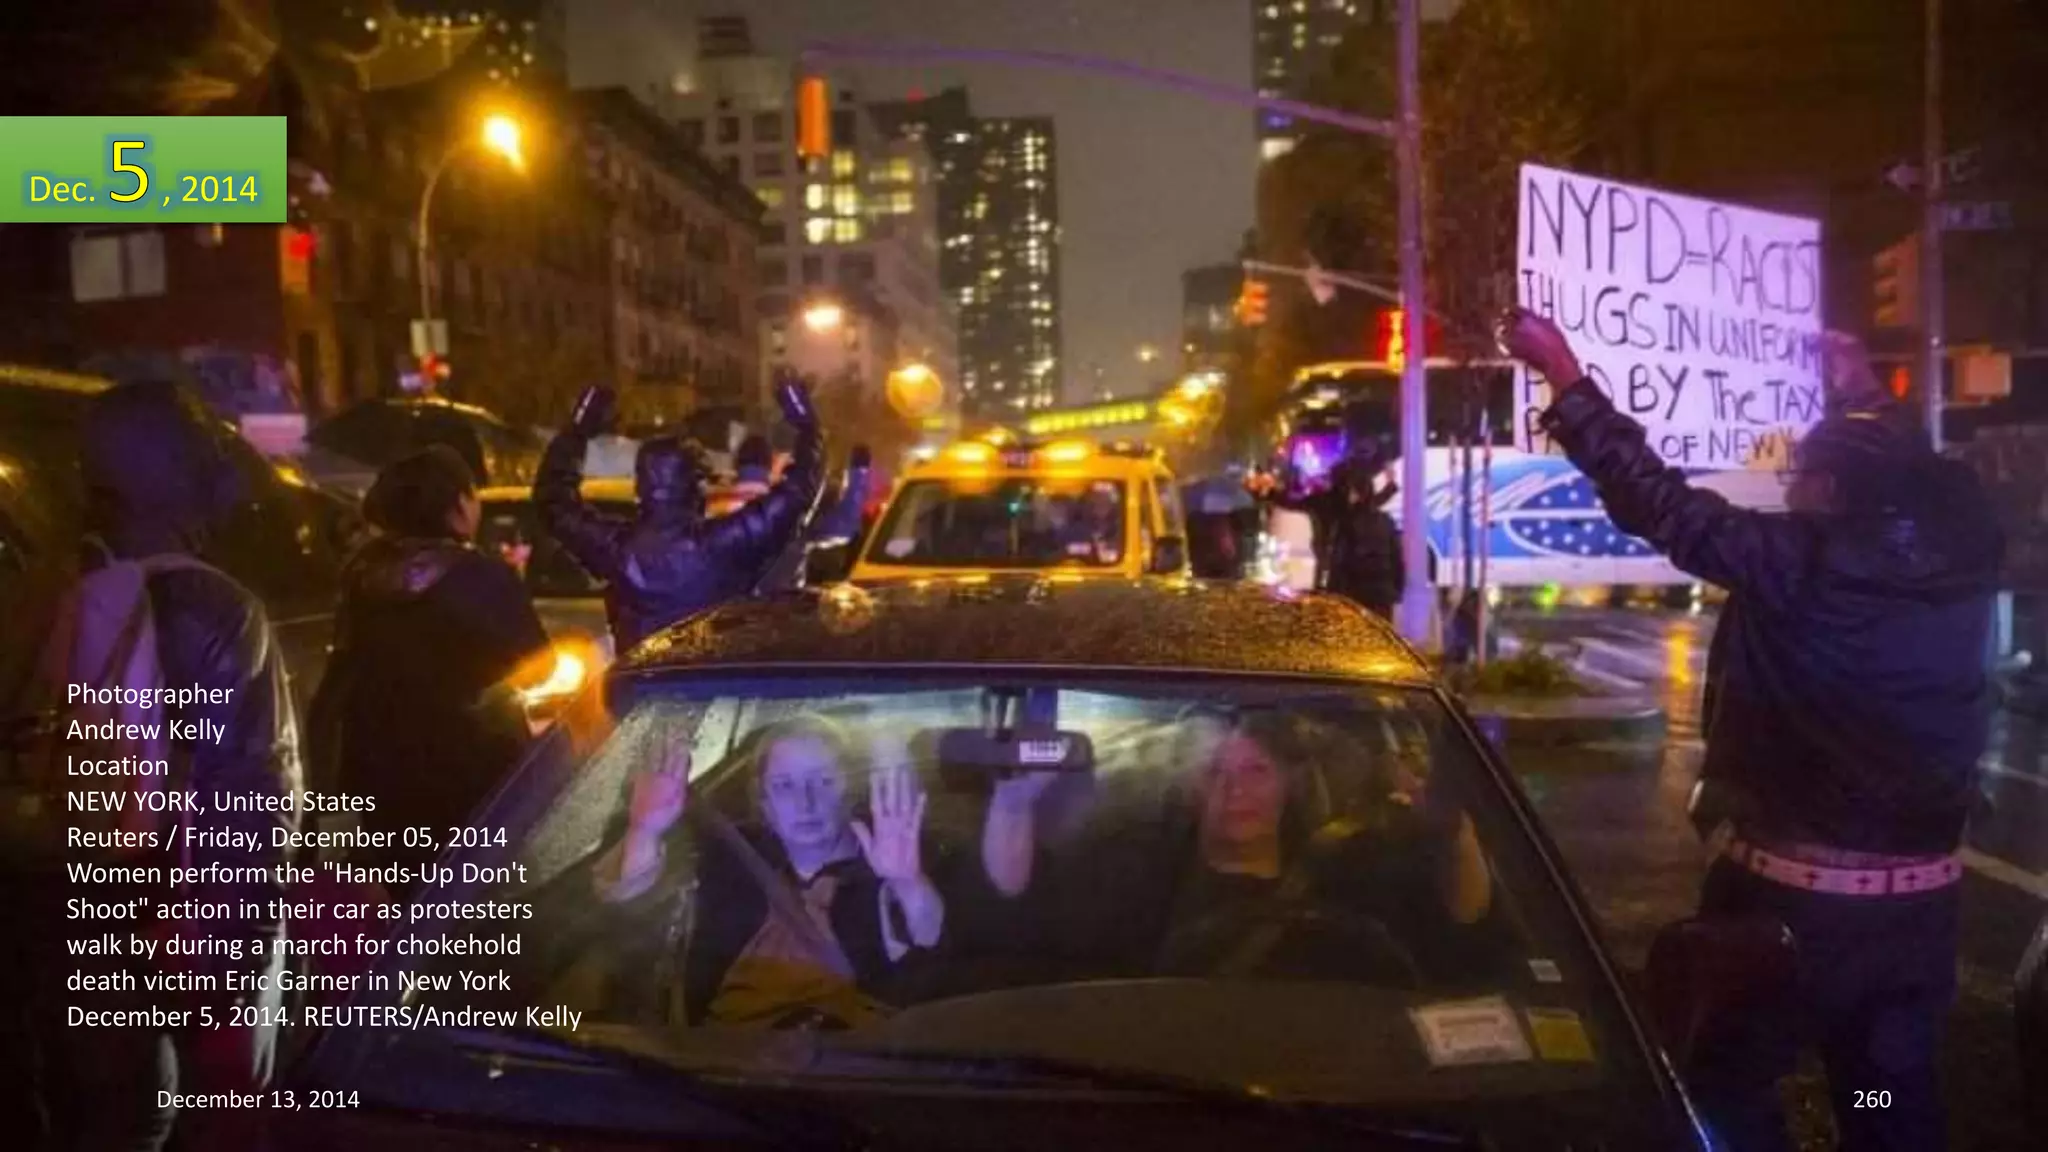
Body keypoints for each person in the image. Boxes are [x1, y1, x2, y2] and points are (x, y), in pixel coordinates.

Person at [1499, 311, 2004, 1152]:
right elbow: (1901, 471)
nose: (1790, 488)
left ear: (1835, 493)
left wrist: (1565, 376)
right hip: (1917, 907)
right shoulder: (1963, 557)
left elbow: (1658, 503)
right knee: (1881, 1094)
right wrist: (1862, 394)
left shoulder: (1801, 562)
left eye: (1803, 475)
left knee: (1726, 1087)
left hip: (1789, 913)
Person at [44, 382, 302, 1151]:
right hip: (184, 925)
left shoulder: (54, 595)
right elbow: (245, 799)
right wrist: (240, 963)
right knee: (202, 1122)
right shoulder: (215, 607)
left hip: (72, 914)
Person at [981, 709, 1493, 985]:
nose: (1236, 790)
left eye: (1255, 771)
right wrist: (1011, 806)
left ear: (1287, 785)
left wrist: (1454, 832)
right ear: (1193, 789)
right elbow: (1024, 911)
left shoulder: (1344, 875)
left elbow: (1463, 925)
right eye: (1216, 773)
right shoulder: (1139, 877)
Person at [587, 718, 947, 1027]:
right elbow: (629, 902)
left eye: (823, 782)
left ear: (850, 789)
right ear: (764, 802)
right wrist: (644, 829)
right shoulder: (728, 854)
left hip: (847, 1069)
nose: (805, 802)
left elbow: (929, 936)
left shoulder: (891, 848)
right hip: (719, 1066)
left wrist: (907, 881)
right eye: (784, 786)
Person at [306, 446, 551, 894]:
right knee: (477, 912)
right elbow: (538, 665)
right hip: (472, 769)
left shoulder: (362, 576)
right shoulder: (480, 576)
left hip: (382, 774)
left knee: (409, 909)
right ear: (459, 505)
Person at [536, 376, 825, 651]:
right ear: (693, 485)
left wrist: (576, 432)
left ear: (641, 485)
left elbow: (554, 502)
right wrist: (808, 427)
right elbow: (797, 494)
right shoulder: (721, 544)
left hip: (640, 692)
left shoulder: (616, 549)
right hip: (710, 689)